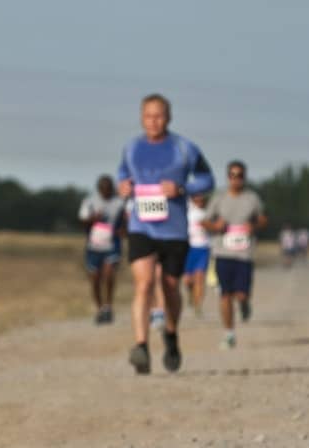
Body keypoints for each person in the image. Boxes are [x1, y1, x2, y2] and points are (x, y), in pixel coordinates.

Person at [117, 94, 214, 374]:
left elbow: (207, 179)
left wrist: (183, 189)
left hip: (174, 230)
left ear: (168, 118)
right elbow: (122, 175)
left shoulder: (185, 148)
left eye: (159, 116)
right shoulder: (132, 148)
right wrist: (123, 186)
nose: (153, 121)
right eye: (148, 116)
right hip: (141, 227)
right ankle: (141, 347)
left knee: (170, 287)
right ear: (141, 117)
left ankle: (171, 336)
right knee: (144, 284)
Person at [203, 160, 266, 349]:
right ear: (227, 176)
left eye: (239, 175)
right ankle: (229, 333)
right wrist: (216, 226)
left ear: (244, 178)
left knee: (241, 294)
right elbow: (205, 221)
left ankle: (245, 303)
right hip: (223, 252)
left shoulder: (252, 199)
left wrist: (253, 226)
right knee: (225, 295)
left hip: (244, 254)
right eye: (232, 175)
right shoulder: (219, 198)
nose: (236, 179)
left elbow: (263, 219)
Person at [78, 174, 125, 324]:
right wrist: (93, 219)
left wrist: (123, 230)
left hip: (112, 245)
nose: (106, 192)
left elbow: (126, 220)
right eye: (104, 189)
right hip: (94, 246)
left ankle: (108, 306)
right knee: (95, 279)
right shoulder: (89, 202)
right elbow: (82, 221)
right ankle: (99, 309)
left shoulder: (119, 202)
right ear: (99, 189)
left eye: (109, 189)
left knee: (109, 274)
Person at [182, 193, 212, 317]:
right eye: (197, 196)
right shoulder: (187, 209)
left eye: (202, 196)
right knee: (188, 280)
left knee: (200, 277)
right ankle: (191, 294)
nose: (200, 199)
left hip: (203, 248)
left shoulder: (209, 212)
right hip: (188, 248)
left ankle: (198, 305)